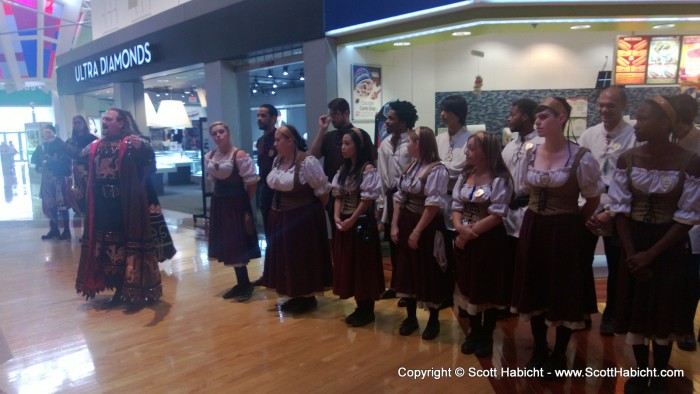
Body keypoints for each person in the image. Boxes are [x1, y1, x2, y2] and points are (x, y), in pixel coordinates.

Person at [610, 96, 700, 393]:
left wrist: (651, 253)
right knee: (636, 306)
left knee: (664, 308)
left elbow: (687, 216)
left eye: (645, 118)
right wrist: (632, 252)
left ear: (665, 124)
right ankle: (640, 372)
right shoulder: (627, 159)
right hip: (633, 242)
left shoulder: (690, 162)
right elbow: (620, 210)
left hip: (668, 245)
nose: (637, 123)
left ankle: (660, 374)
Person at [510, 97, 604, 374]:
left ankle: (559, 353)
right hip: (533, 226)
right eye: (536, 118)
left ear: (562, 118)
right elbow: (525, 189)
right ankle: (540, 348)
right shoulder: (530, 154)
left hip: (565, 229)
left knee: (562, 290)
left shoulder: (580, 156)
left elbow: (592, 199)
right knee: (535, 286)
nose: (537, 122)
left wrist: (576, 225)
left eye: (543, 117)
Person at [75, 108, 171, 306]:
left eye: (109, 119)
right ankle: (115, 285)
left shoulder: (134, 143)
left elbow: (150, 166)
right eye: (103, 119)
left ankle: (129, 288)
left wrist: (142, 149)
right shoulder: (96, 145)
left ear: (121, 122)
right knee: (106, 244)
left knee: (127, 243)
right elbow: (78, 157)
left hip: (126, 205)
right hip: (102, 205)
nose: (104, 123)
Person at [578, 86, 637, 336]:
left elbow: (634, 179)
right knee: (581, 261)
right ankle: (582, 309)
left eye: (610, 105)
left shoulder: (635, 136)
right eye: (601, 105)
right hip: (589, 204)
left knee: (616, 265)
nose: (603, 110)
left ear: (624, 106)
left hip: (619, 207)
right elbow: (579, 169)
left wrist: (610, 211)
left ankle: (612, 313)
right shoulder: (589, 135)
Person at [452, 131, 514, 357]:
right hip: (466, 238)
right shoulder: (465, 175)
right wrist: (459, 228)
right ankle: (474, 331)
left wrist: (468, 233)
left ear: (486, 151)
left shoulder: (500, 179)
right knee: (469, 285)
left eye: (471, 148)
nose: (466, 152)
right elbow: (456, 206)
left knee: (486, 286)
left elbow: (497, 215)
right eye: (467, 147)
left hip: (488, 239)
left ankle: (487, 333)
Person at [390, 126, 453, 340]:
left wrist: (417, 232)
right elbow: (399, 197)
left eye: (410, 141)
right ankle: (410, 317)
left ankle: (433, 320)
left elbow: (433, 205)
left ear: (419, 144)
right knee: (407, 269)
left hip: (426, 226)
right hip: (407, 220)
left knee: (429, 270)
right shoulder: (410, 167)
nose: (407, 144)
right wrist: (394, 225)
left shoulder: (437, 170)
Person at [263, 124, 332, 313]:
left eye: (278, 140)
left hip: (302, 218)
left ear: (290, 141)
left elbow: (322, 191)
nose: (275, 144)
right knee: (286, 257)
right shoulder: (278, 160)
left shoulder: (307, 161)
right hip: (280, 216)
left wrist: (319, 217)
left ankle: (307, 297)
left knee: (301, 257)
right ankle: (294, 293)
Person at [331, 128, 384, 326]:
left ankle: (366, 309)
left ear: (358, 146)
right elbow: (337, 196)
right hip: (345, 221)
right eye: (342, 144)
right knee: (349, 264)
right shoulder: (344, 170)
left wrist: (351, 220)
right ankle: (359, 305)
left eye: (347, 144)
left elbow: (366, 201)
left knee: (362, 265)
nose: (343, 148)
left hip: (360, 223)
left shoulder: (367, 169)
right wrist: (337, 217)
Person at [205, 121, 261, 302]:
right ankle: (241, 283)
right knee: (229, 243)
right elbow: (213, 181)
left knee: (238, 243)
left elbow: (252, 182)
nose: (218, 135)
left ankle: (245, 285)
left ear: (228, 133)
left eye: (221, 132)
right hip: (220, 204)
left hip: (236, 204)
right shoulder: (211, 156)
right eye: (214, 133)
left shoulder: (239, 155)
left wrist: (244, 202)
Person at [376, 100, 416, 301]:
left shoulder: (412, 143)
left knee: (406, 242)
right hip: (391, 198)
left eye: (391, 118)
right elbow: (382, 176)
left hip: (408, 199)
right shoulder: (385, 144)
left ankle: (410, 287)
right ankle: (396, 284)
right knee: (393, 243)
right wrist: (382, 203)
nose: (387, 122)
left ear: (404, 121)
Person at [673, 94, 700, 352]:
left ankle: (685, 328)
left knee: (692, 278)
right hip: (664, 219)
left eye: (683, 122)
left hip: (694, 222)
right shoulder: (662, 141)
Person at [502, 98, 542, 262]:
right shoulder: (510, 146)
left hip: (531, 209)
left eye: (513, 114)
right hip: (509, 210)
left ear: (525, 117)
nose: (509, 118)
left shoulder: (541, 143)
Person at [251, 104, 278, 287]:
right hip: (265, 193)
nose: (259, 118)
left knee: (278, 235)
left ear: (274, 117)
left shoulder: (280, 138)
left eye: (263, 115)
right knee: (269, 235)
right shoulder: (260, 142)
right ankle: (269, 274)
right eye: (258, 115)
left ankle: (279, 274)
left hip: (279, 194)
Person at [31, 124, 73, 240]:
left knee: (62, 204)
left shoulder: (60, 144)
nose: (45, 134)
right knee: (50, 204)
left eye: (48, 131)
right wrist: (39, 167)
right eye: (44, 132)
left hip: (59, 179)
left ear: (53, 132)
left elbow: (67, 160)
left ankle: (67, 230)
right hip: (47, 180)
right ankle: (54, 229)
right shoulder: (42, 147)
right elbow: (36, 162)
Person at [436, 95, 471, 233]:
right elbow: (431, 166)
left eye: (446, 110)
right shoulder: (438, 139)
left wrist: (437, 166)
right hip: (438, 198)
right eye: (442, 110)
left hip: (459, 200)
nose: (442, 114)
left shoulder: (470, 140)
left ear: (458, 113)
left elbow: (459, 169)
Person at [65, 115, 98, 215]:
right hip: (75, 170)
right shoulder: (71, 141)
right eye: (75, 123)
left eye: (79, 122)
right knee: (76, 191)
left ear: (84, 123)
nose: (77, 125)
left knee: (89, 191)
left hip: (89, 169)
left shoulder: (92, 139)